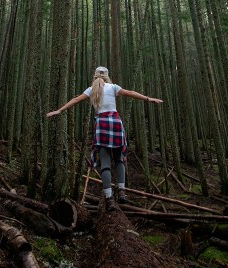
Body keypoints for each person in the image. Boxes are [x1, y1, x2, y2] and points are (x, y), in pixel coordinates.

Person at [46, 66, 163, 211]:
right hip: (115, 123)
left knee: (105, 163)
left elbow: (76, 99)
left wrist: (59, 110)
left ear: (94, 76)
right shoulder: (113, 87)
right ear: (107, 76)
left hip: (101, 124)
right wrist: (148, 98)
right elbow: (131, 93)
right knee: (120, 159)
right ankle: (121, 192)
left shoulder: (91, 90)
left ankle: (109, 198)